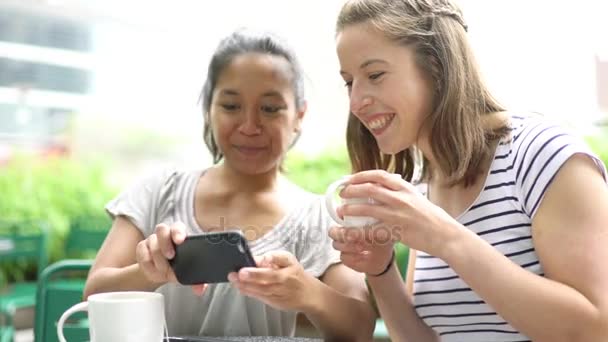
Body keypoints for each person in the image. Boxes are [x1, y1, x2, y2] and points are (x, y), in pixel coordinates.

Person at [328, 0, 608, 341]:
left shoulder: (542, 154)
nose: (356, 102)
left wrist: (445, 238)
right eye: (348, 82)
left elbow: (595, 328)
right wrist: (381, 272)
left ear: (437, 66)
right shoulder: (424, 187)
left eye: (374, 75)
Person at [83, 29, 376, 340]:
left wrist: (308, 293)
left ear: (298, 115)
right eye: (231, 106)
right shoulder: (158, 192)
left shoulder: (317, 216)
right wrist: (149, 272)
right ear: (209, 109)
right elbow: (92, 296)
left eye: (270, 108)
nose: (249, 126)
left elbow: (360, 327)